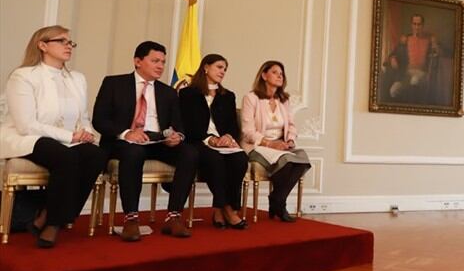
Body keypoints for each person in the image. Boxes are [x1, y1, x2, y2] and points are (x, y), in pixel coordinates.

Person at [0, 26, 107, 248]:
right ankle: (53, 224)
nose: (69, 46)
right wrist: (71, 136)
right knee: (66, 158)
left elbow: (83, 117)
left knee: (96, 155)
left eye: (70, 42)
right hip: (27, 138)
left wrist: (86, 133)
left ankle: (48, 214)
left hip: (66, 139)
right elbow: (26, 124)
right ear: (42, 45)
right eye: (62, 41)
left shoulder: (77, 78)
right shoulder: (23, 76)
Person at [92, 41, 198, 241]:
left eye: (163, 62)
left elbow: (179, 126)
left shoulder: (167, 92)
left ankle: (173, 216)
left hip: (158, 141)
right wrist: (126, 133)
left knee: (190, 153)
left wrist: (177, 137)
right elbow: (99, 120)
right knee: (134, 152)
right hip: (124, 142)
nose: (160, 66)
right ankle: (131, 219)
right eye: (155, 60)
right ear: (138, 61)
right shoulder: (114, 83)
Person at [178, 54, 248, 229]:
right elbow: (187, 125)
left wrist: (228, 137)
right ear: (206, 67)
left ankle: (219, 208)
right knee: (214, 160)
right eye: (219, 67)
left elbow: (232, 125)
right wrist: (210, 139)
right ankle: (228, 209)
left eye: (225, 69)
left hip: (223, 143)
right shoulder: (188, 94)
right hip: (198, 141)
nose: (223, 71)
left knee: (240, 159)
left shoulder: (227, 96)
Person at [240, 61, 311, 221]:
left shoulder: (284, 100)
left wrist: (290, 140)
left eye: (282, 73)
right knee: (287, 161)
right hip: (258, 145)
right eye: (275, 72)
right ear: (264, 75)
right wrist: (271, 144)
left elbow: (291, 125)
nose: (280, 75)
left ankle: (276, 199)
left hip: (281, 144)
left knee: (302, 159)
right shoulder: (251, 98)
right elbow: (247, 131)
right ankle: (280, 204)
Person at [382, 14, 442, 104]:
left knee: (415, 81)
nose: (417, 27)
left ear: (423, 25)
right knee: (393, 91)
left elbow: (441, 53)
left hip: (422, 74)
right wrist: (393, 58)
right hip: (405, 74)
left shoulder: (429, 39)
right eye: (414, 24)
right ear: (411, 25)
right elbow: (393, 53)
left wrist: (435, 44)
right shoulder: (405, 39)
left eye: (419, 24)